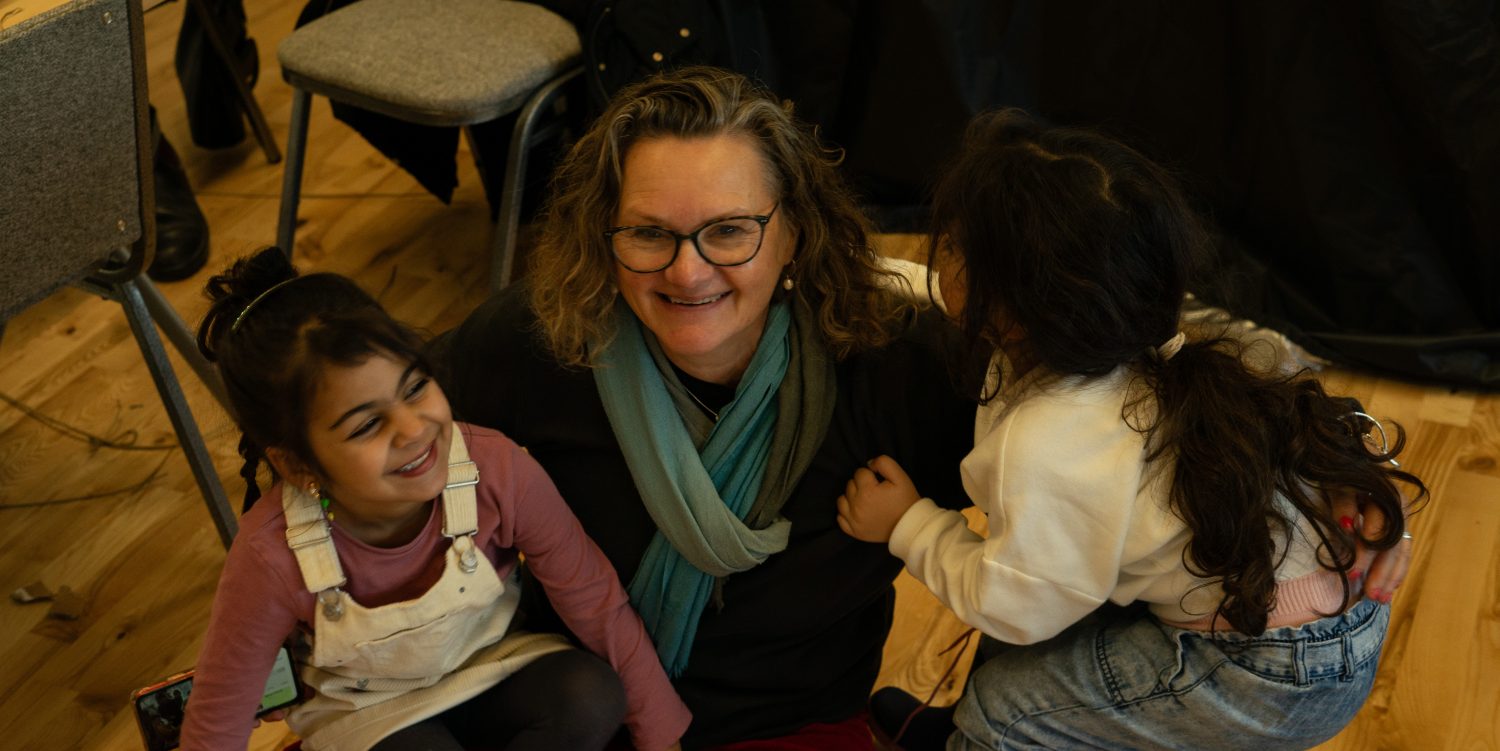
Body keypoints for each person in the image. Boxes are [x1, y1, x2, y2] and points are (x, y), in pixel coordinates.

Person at [836, 109, 1427, 750]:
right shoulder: (1132, 341)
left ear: (1008, 301)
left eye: (948, 243)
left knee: (1007, 710)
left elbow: (1016, 607)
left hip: (1270, 672)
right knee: (1042, 585)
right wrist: (866, 271)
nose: (934, 249)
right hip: (1322, 613)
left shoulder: (1049, 445)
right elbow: (950, 300)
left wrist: (908, 525)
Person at [438, 66, 977, 749]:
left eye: (728, 231)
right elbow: (361, 426)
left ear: (794, 233)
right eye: (647, 233)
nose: (686, 271)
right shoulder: (535, 343)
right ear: (601, 238)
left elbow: (1079, 503)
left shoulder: (894, 365)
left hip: (795, 728)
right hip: (583, 714)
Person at [179, 247, 690, 750]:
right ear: (298, 464)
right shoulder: (272, 552)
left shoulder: (497, 469)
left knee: (592, 695)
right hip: (371, 716)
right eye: (367, 425)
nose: (413, 429)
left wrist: (662, 736)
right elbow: (221, 707)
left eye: (416, 386)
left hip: (494, 667)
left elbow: (594, 599)